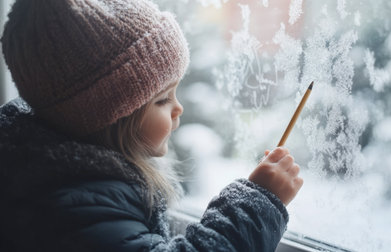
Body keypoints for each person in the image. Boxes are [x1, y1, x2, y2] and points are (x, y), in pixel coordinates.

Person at [0, 0, 303, 251]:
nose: (178, 107)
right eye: (162, 100)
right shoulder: (73, 208)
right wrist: (256, 206)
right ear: (106, 116)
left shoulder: (58, 175)